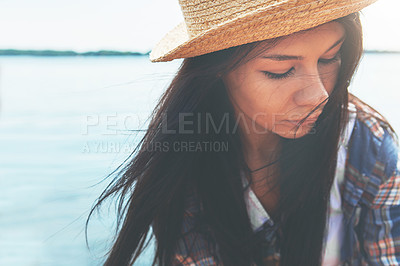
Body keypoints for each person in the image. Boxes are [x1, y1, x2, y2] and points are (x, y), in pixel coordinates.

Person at [88, 0, 400, 265]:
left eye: (329, 58)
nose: (318, 94)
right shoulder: (182, 165)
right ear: (217, 67)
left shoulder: (366, 145)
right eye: (279, 71)